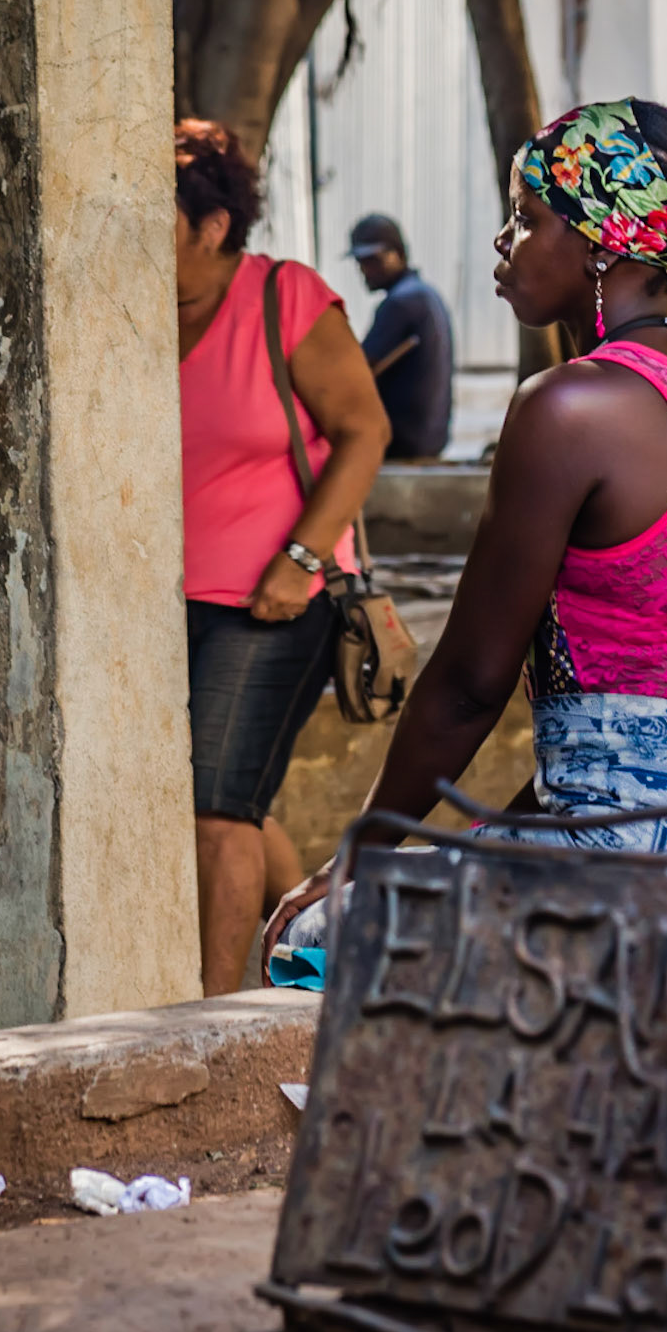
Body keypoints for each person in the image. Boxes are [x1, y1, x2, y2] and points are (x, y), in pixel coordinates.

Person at [264, 98, 667, 965]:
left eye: (527, 217)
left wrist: (361, 851)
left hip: (660, 852)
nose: (504, 240)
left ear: (604, 242)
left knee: (310, 947)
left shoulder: (566, 410)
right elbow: (642, 679)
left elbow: (469, 682)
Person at [176, 122, 390, 994]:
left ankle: (215, 1022)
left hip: (272, 600)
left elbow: (364, 430)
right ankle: (317, 939)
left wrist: (301, 558)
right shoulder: (117, 314)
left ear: (211, 225)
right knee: (226, 795)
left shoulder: (282, 298)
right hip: (158, 601)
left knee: (217, 812)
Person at [348, 214, 453, 459]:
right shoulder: (425, 294)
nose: (364, 270)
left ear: (399, 254)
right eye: (360, 262)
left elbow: (358, 370)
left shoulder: (401, 304)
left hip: (404, 442)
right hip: (432, 439)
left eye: (372, 260)